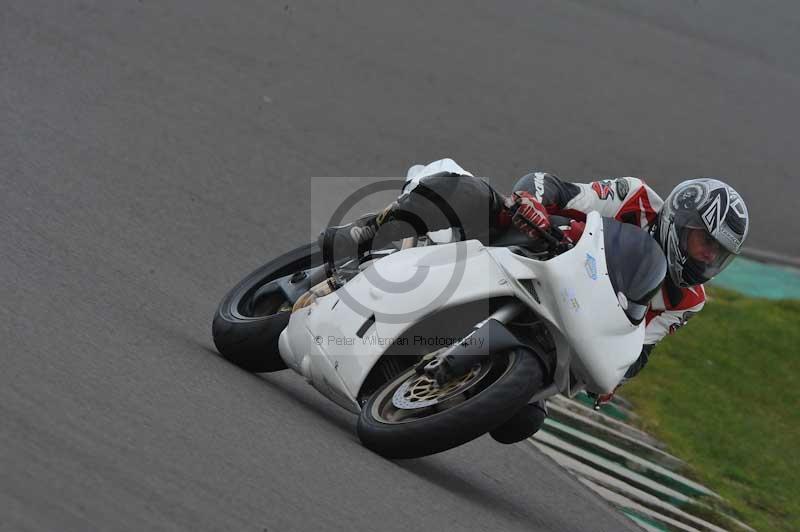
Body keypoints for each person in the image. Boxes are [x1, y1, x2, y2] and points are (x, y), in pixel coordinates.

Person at [321, 159, 750, 438]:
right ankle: (371, 234)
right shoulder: (634, 199)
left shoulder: (688, 299)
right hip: (538, 249)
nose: (708, 259)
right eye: (703, 244)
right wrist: (534, 201)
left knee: (521, 420)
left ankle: (427, 387)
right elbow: (558, 187)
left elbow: (642, 350)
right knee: (474, 196)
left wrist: (614, 372)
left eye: (718, 254)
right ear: (681, 219)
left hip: (569, 319)